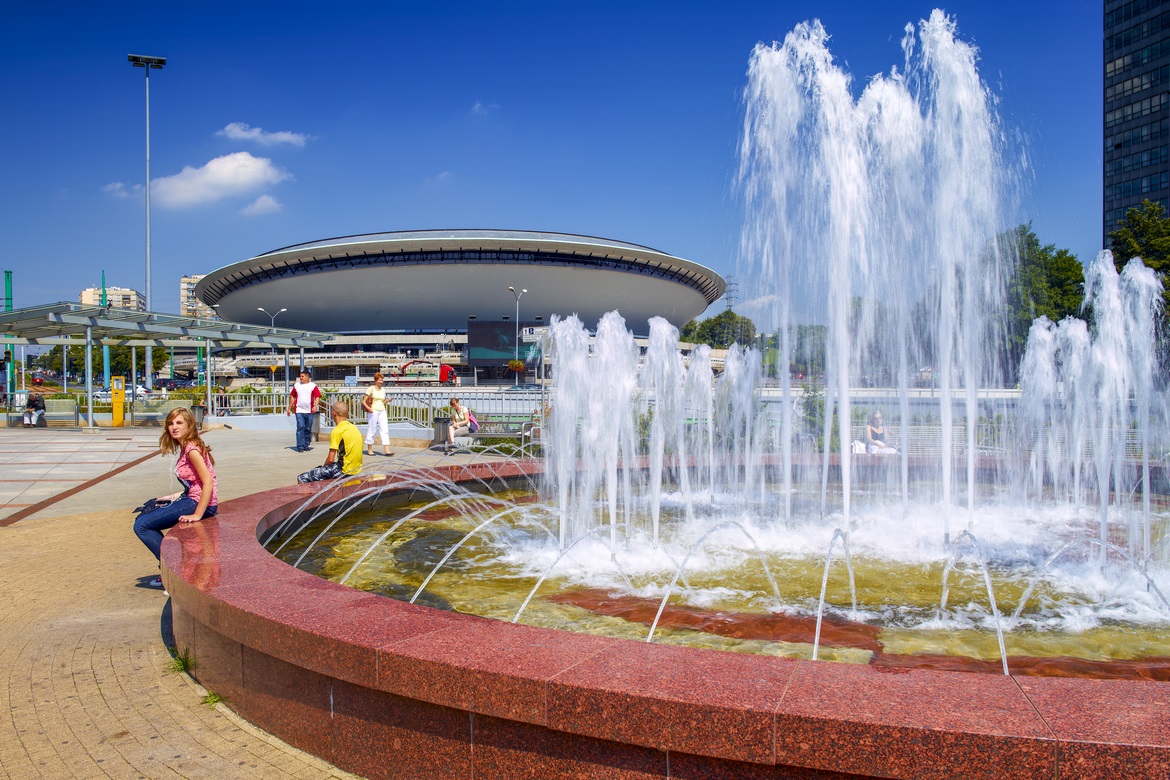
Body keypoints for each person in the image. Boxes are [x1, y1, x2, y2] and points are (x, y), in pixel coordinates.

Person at [133, 407, 219, 589]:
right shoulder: (186, 446)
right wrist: (169, 497)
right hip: (192, 498)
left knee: (142, 526)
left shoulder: (191, 449)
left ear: (189, 425)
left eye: (179, 423)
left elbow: (208, 482)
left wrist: (197, 514)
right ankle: (171, 568)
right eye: (171, 423)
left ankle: (171, 570)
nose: (174, 427)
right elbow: (193, 484)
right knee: (144, 517)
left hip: (198, 503)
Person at [298, 401, 364, 483]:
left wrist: (323, 469)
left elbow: (330, 459)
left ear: (333, 413)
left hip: (343, 471)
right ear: (347, 414)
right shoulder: (354, 428)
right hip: (355, 470)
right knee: (319, 472)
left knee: (302, 478)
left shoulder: (337, 430)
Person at [286, 369, 321, 452]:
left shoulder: (312, 386)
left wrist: (315, 406)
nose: (301, 378)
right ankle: (300, 446)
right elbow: (292, 396)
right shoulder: (297, 385)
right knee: (301, 426)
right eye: (300, 376)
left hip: (310, 411)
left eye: (302, 376)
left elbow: (317, 396)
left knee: (308, 428)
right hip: (299, 410)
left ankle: (306, 444)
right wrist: (289, 408)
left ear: (307, 377)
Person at [362, 372, 393, 457]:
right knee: (372, 429)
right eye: (380, 380)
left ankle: (386, 449)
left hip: (382, 410)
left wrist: (387, 400)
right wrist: (369, 408)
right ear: (375, 380)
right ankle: (370, 449)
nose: (381, 382)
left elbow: (383, 402)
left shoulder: (383, 390)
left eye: (382, 380)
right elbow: (364, 401)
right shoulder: (371, 388)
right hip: (373, 410)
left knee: (385, 429)